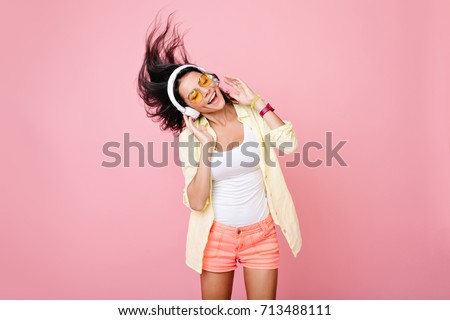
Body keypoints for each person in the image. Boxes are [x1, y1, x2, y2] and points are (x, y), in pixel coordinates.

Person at [137, 14, 302, 300]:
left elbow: (288, 145)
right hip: (216, 239)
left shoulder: (251, 115)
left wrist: (258, 102)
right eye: (195, 96)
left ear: (211, 77)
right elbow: (198, 202)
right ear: (189, 109)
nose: (207, 92)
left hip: (260, 235)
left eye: (203, 82)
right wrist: (204, 151)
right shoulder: (191, 138)